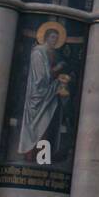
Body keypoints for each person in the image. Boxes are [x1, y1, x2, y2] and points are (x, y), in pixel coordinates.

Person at [18, 27, 65, 159]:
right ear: (45, 38)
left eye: (56, 38)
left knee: (46, 125)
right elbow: (40, 77)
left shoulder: (53, 53)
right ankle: (30, 155)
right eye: (52, 37)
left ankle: (42, 157)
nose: (54, 41)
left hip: (48, 95)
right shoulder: (37, 53)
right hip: (37, 94)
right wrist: (57, 70)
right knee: (34, 126)